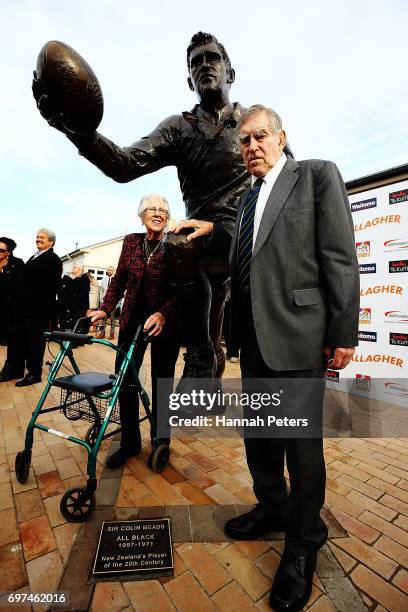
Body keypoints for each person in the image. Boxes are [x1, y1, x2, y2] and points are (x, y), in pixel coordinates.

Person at [34, 31, 293, 392]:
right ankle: (203, 352)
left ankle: (213, 356)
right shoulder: (179, 128)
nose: (205, 65)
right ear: (189, 80)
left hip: (246, 234)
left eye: (212, 58)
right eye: (196, 61)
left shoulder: (254, 125)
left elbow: (288, 182)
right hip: (198, 245)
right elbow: (125, 165)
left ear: (230, 72)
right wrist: (73, 129)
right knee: (180, 244)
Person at [224, 105, 359, 611]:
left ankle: (303, 545)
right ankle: (271, 507)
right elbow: (250, 257)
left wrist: (343, 330)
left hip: (300, 336)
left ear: (281, 137)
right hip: (254, 340)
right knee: (260, 438)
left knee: (302, 451)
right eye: (244, 141)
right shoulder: (246, 199)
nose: (252, 146)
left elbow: (340, 256)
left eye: (260, 136)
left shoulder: (316, 175)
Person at [91, 194, 179, 468]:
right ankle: (130, 442)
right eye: (152, 209)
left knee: (161, 381)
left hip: (164, 321)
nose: (157, 213)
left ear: (168, 216)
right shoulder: (131, 241)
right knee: (126, 379)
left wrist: (163, 313)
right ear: (141, 215)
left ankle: (161, 439)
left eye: (163, 210)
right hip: (131, 320)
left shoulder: (176, 243)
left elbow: (184, 289)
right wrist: (105, 308)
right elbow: (119, 279)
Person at [15, 228, 62, 387]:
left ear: (51, 242)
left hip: (38, 310)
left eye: (42, 237)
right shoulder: (35, 257)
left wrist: (31, 295)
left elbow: (52, 286)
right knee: (26, 341)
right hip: (26, 308)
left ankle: (35, 373)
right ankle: (26, 370)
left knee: (35, 342)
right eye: (37, 237)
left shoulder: (53, 259)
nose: (38, 239)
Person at [0, 237, 25, 382]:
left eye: (1, 250)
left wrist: (3, 273)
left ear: (9, 252)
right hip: (1, 308)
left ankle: (14, 370)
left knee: (15, 341)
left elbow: (19, 287)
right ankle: (9, 367)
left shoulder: (17, 264)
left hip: (14, 309)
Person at [97, 266, 116, 339]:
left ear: (113, 271)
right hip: (104, 301)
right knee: (103, 318)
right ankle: (102, 333)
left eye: (111, 270)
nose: (110, 271)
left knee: (112, 319)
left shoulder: (116, 280)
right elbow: (101, 290)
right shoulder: (103, 280)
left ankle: (112, 334)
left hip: (112, 302)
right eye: (108, 270)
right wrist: (101, 300)